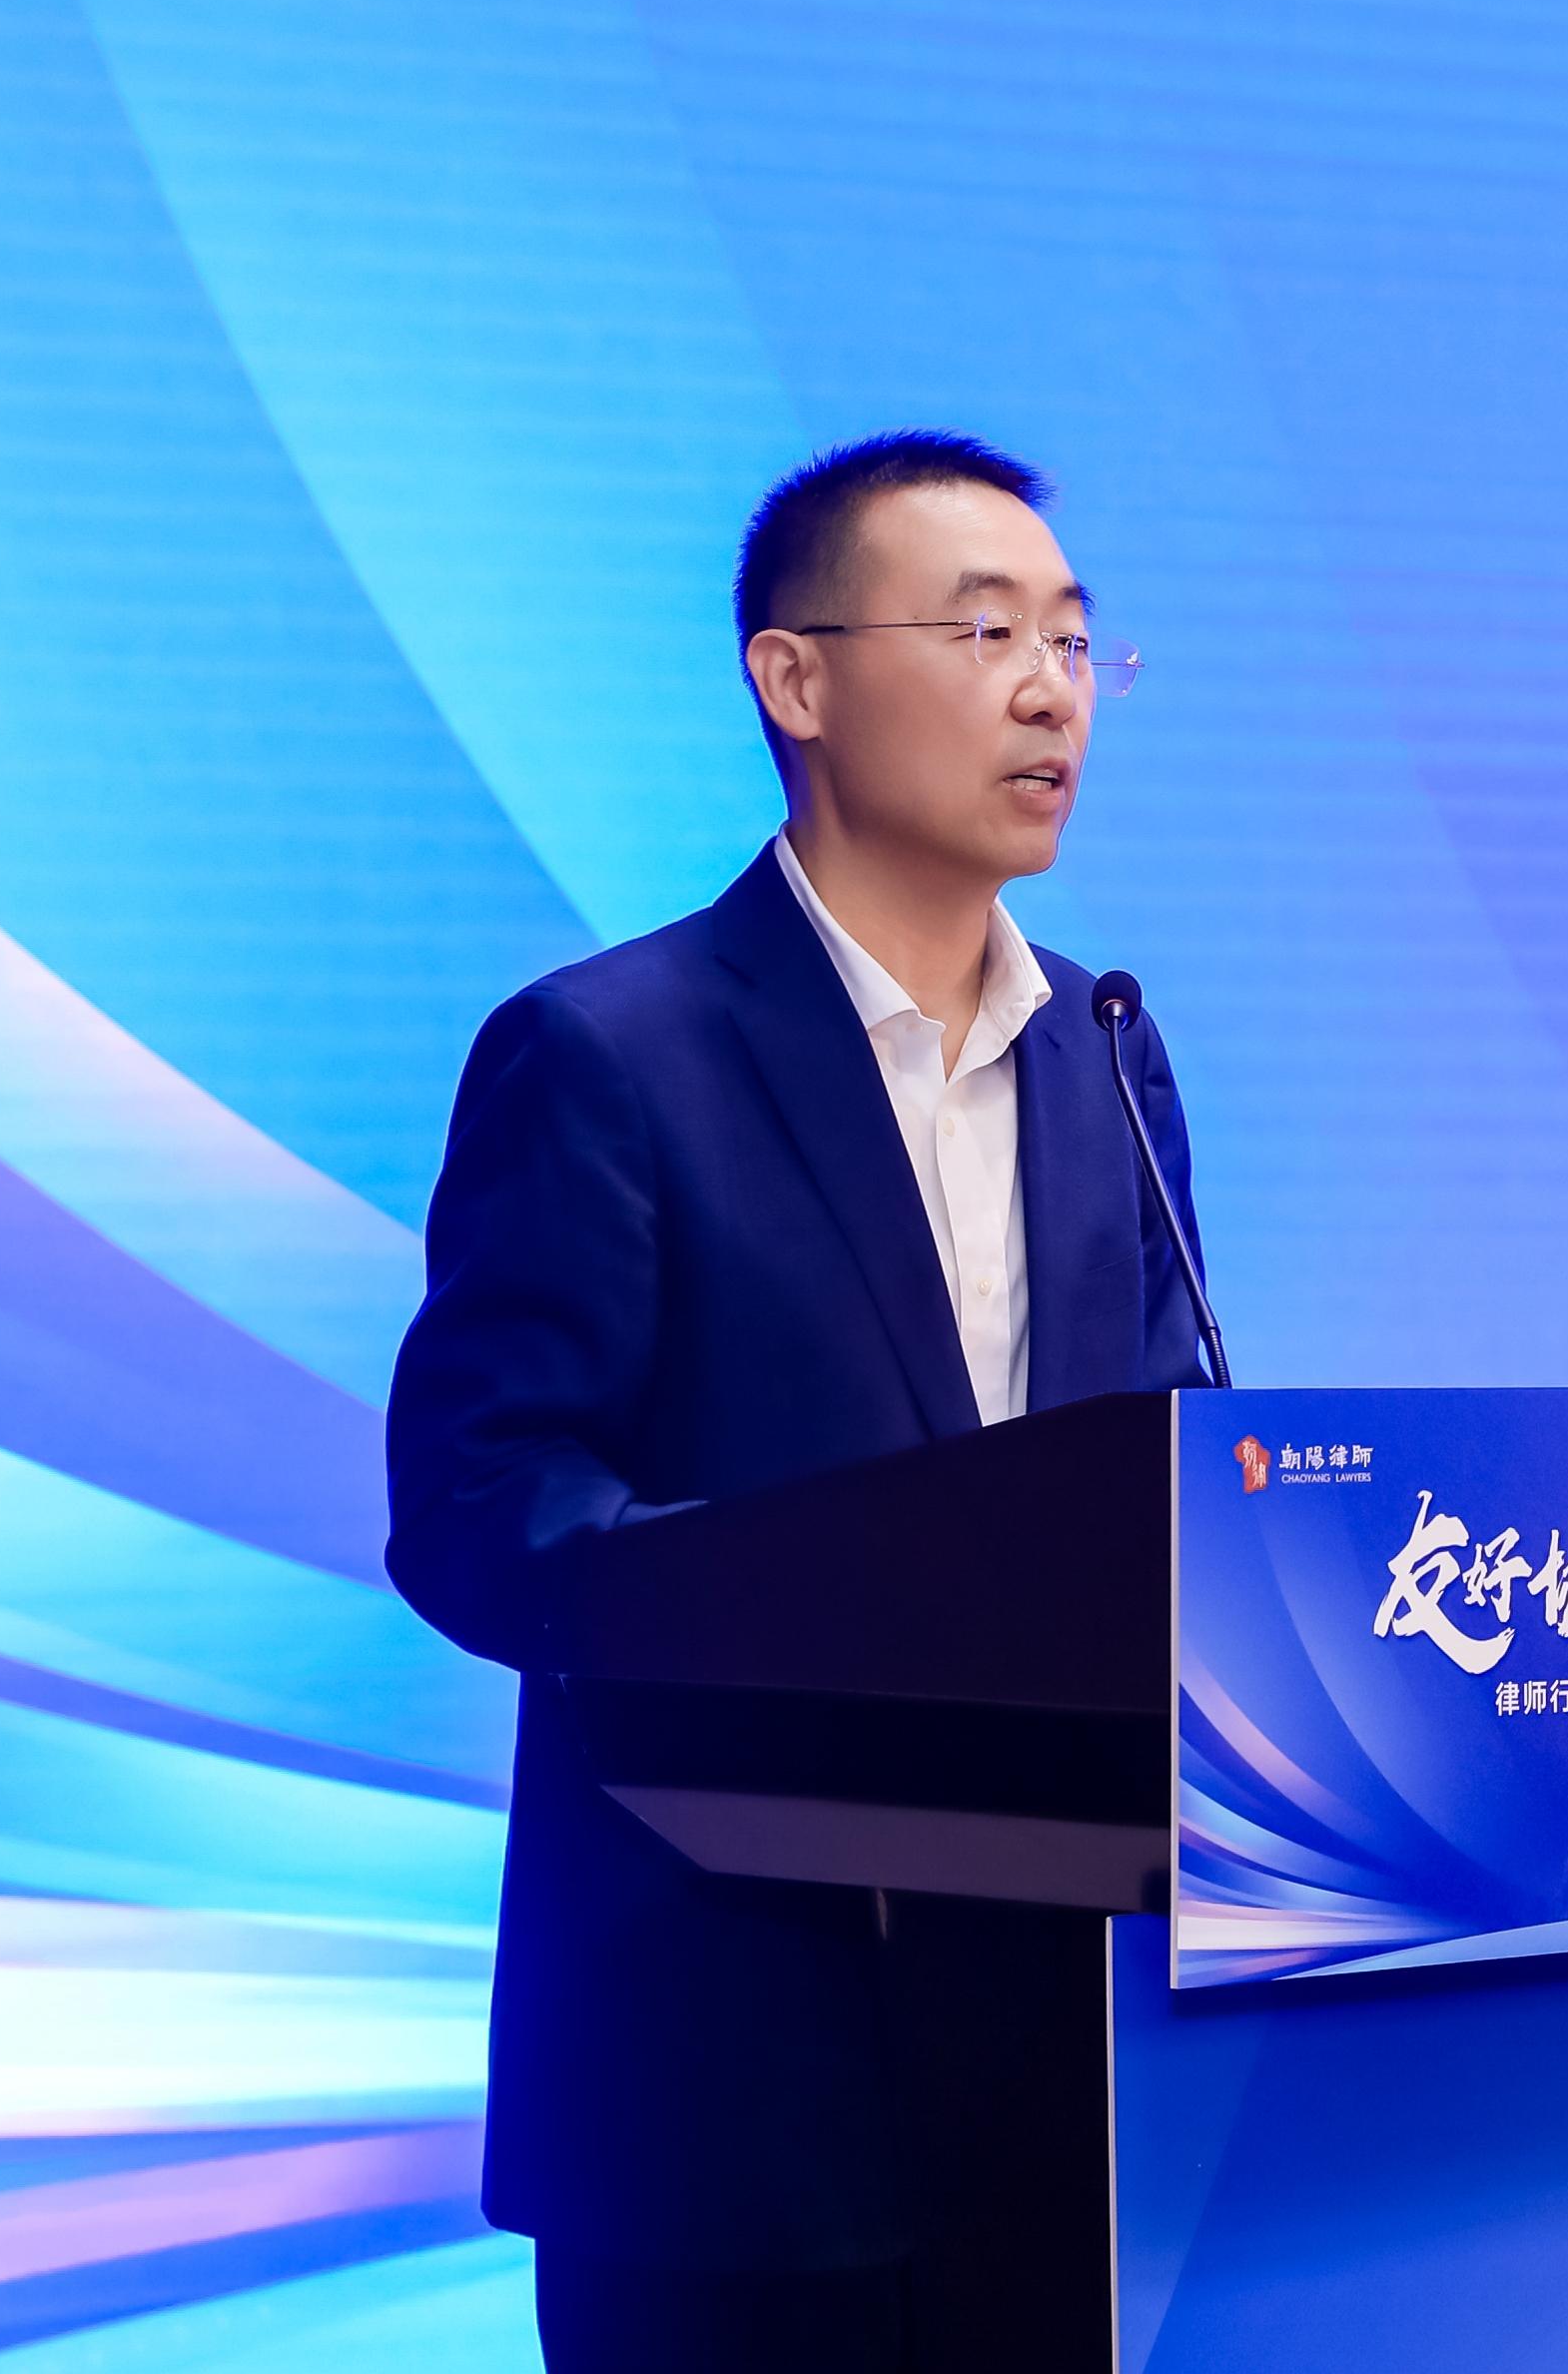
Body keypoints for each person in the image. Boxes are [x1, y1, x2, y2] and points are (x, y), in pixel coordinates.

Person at [385, 430, 1212, 2370]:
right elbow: (484, 1504)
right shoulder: (608, 1055)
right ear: (798, 680)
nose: (1049, 691)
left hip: (1082, 2086)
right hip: (732, 2086)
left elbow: (1165, 1475)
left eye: (1075, 641)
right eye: (985, 631)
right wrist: (840, 1602)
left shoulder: (1107, 1051)